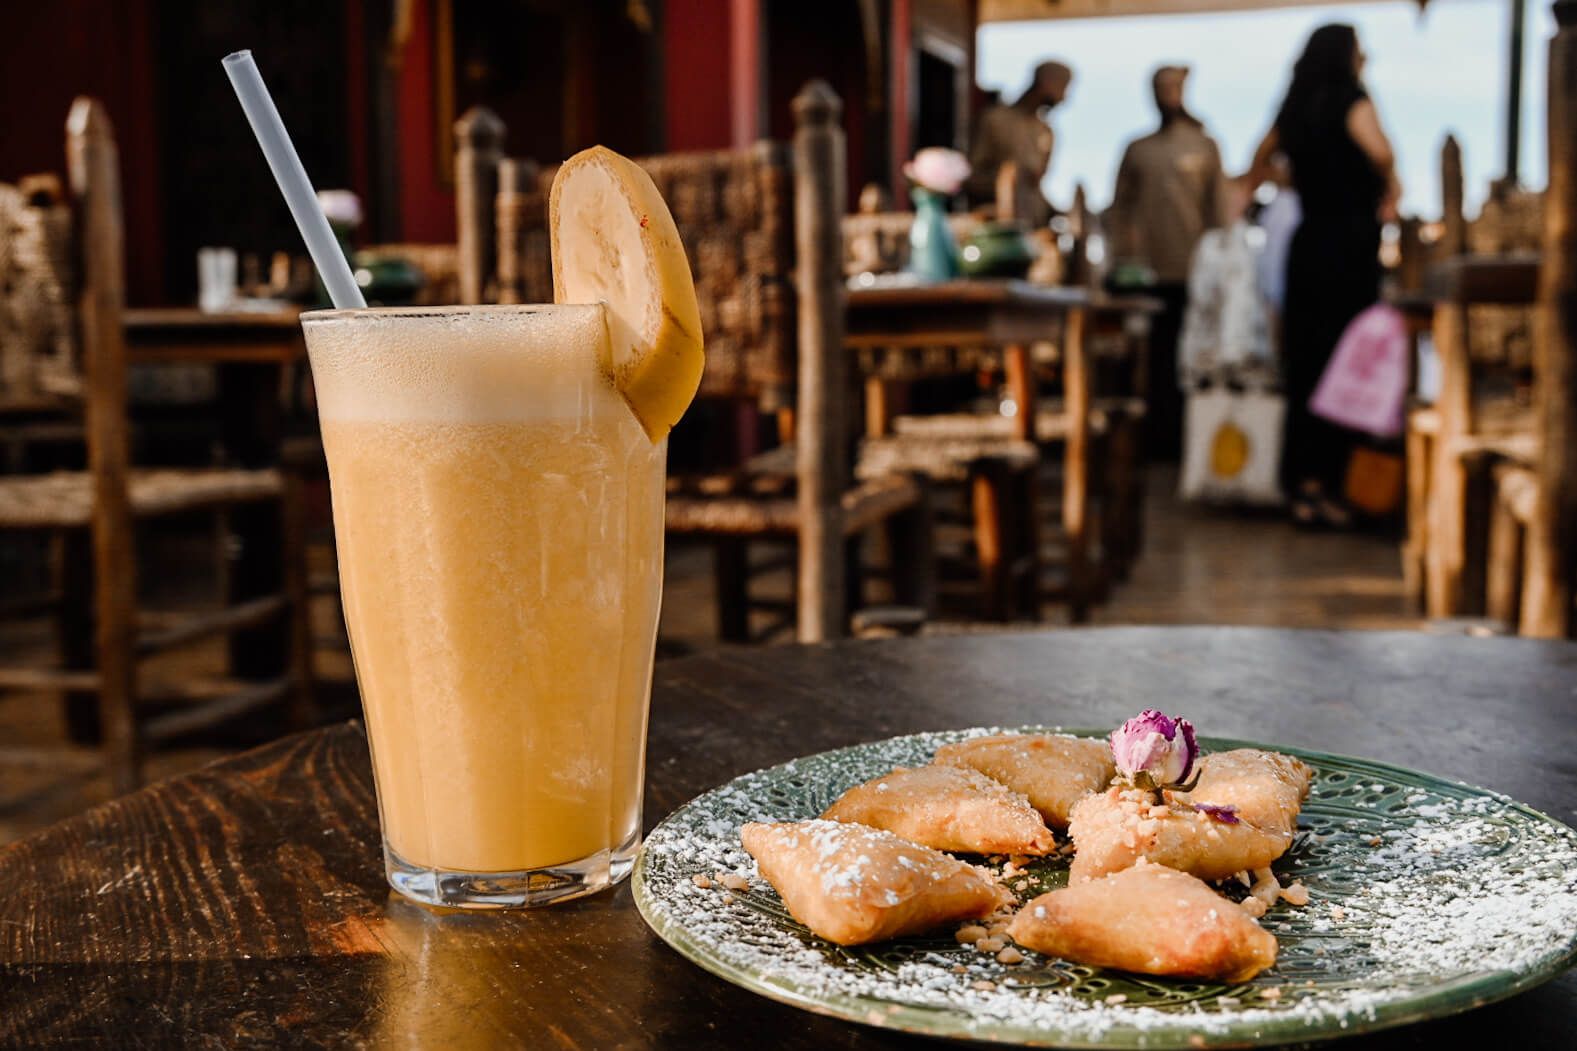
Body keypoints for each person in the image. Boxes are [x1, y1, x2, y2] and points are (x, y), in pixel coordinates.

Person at [1249, 23, 1400, 528]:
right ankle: (1334, 487)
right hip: (1348, 247)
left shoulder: (1294, 105)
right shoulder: (1352, 98)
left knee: (1306, 363)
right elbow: (1380, 151)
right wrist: (1386, 183)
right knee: (1346, 364)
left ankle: (1300, 486)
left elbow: (1258, 160)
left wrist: (1300, 176)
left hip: (1309, 244)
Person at [1108, 65, 1229, 460]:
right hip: (1146, 271)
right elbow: (1119, 208)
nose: (1167, 95)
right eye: (1161, 88)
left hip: (1191, 270)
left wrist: (1221, 266)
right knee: (1147, 357)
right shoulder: (1138, 149)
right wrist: (1120, 259)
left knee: (1190, 354)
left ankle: (1187, 439)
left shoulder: (1204, 146)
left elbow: (1218, 212)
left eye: (1173, 87)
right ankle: (1152, 439)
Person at [966, 60, 1073, 228]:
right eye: (1062, 88)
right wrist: (1011, 181)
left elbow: (1036, 191)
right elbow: (972, 179)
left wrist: (1063, 213)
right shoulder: (996, 120)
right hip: (998, 227)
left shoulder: (1046, 131)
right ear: (1045, 83)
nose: (1063, 98)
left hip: (1034, 228)